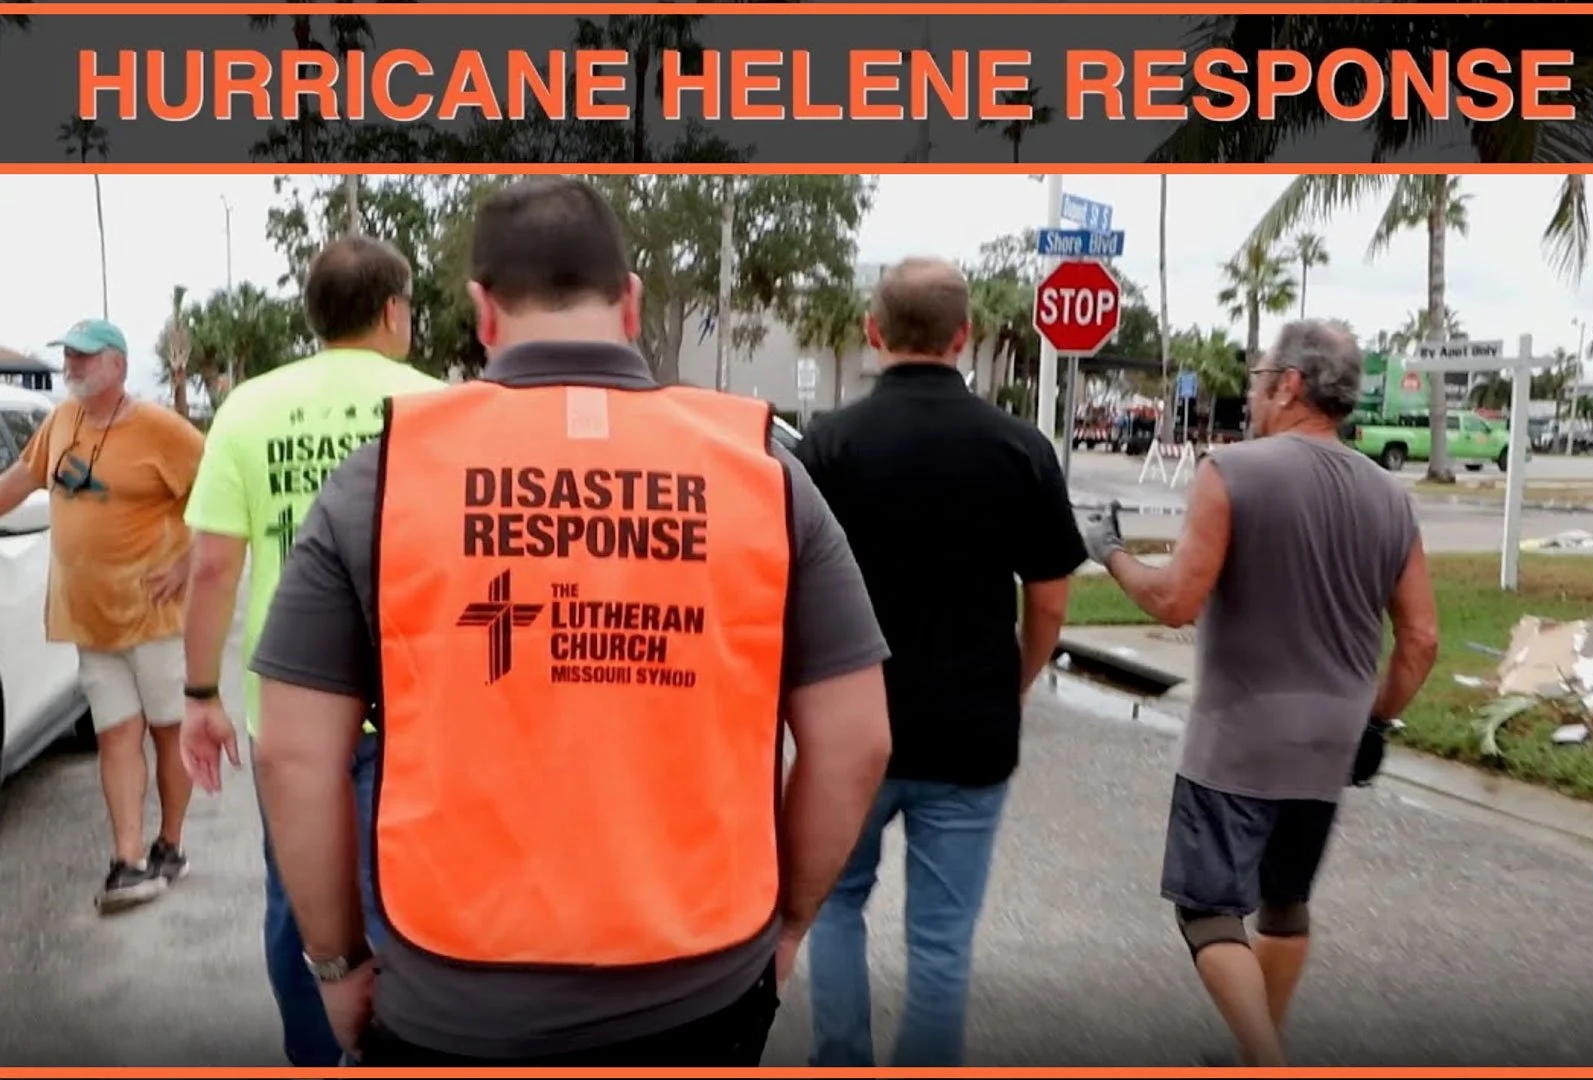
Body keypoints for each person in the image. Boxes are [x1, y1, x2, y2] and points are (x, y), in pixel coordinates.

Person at [248, 177, 895, 1066]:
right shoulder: (763, 476)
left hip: (450, 997)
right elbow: (857, 740)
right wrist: (785, 927)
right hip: (700, 987)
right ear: (630, 302)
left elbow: (291, 754)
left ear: (483, 311)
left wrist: (335, 962)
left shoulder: (383, 479)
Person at [1077, 320, 1440, 1067]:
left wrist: (1109, 551)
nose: (1251, 392)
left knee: (1208, 910)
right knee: (1285, 902)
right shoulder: (1389, 495)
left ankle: (1266, 1061)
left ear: (1290, 385)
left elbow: (1176, 600)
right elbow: (1422, 639)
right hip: (1330, 742)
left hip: (1238, 738)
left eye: (1258, 376)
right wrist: (1378, 719)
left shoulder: (1232, 470)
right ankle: (1257, 1051)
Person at [793, 257, 1087, 1067]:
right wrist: (1015, 683)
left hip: (849, 731)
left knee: (835, 906)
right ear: (965, 336)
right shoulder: (1020, 448)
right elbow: (1050, 599)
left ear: (872, 331)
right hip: (970, 730)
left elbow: (786, 588)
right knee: (942, 940)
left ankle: (839, 1060)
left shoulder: (827, 446)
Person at [177, 235, 443, 1066]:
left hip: (289, 705)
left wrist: (199, 694)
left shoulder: (248, 409)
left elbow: (213, 566)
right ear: (394, 312)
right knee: (415, 898)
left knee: (300, 897)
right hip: (417, 703)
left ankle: (317, 1055)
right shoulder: (441, 408)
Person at [0, 318, 203, 913]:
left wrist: (188, 562)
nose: (72, 366)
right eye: (69, 356)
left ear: (118, 365)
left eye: (85, 357)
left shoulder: (163, 430)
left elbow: (222, 494)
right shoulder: (60, 421)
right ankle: (128, 861)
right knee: (116, 733)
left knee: (167, 730)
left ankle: (171, 844)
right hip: (90, 619)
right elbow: (20, 479)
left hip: (153, 616)